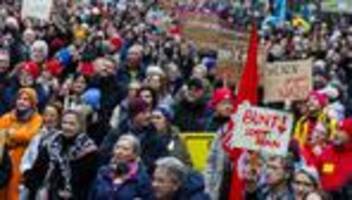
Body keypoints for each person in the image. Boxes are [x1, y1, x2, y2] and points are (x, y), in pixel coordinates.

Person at [23, 110, 99, 199]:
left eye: (72, 124)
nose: (67, 127)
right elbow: (36, 172)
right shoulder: (50, 143)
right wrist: (39, 188)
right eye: (64, 123)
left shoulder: (88, 151)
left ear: (80, 126)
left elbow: (87, 184)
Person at [100, 97, 168, 173]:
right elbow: (104, 153)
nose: (148, 116)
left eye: (149, 112)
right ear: (133, 115)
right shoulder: (117, 132)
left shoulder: (155, 136)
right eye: (143, 113)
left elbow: (160, 161)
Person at [0, 88, 43, 200]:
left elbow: (29, 136)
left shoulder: (37, 119)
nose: (21, 101)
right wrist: (15, 137)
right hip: (3, 163)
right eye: (19, 98)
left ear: (32, 103)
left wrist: (9, 134)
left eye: (26, 99)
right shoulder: (6, 117)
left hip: (21, 163)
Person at [89, 134, 153, 200]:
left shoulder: (141, 177)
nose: (119, 152)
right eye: (117, 147)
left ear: (135, 154)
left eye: (125, 149)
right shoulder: (103, 172)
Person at [20, 104, 61, 199]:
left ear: (58, 118)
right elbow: (27, 157)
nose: (48, 118)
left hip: (48, 185)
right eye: (46, 115)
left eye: (52, 115)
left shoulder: (60, 137)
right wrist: (27, 171)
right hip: (31, 182)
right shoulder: (37, 135)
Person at [312, 118, 352, 199]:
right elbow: (315, 174)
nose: (336, 133)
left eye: (341, 130)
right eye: (336, 129)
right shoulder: (327, 152)